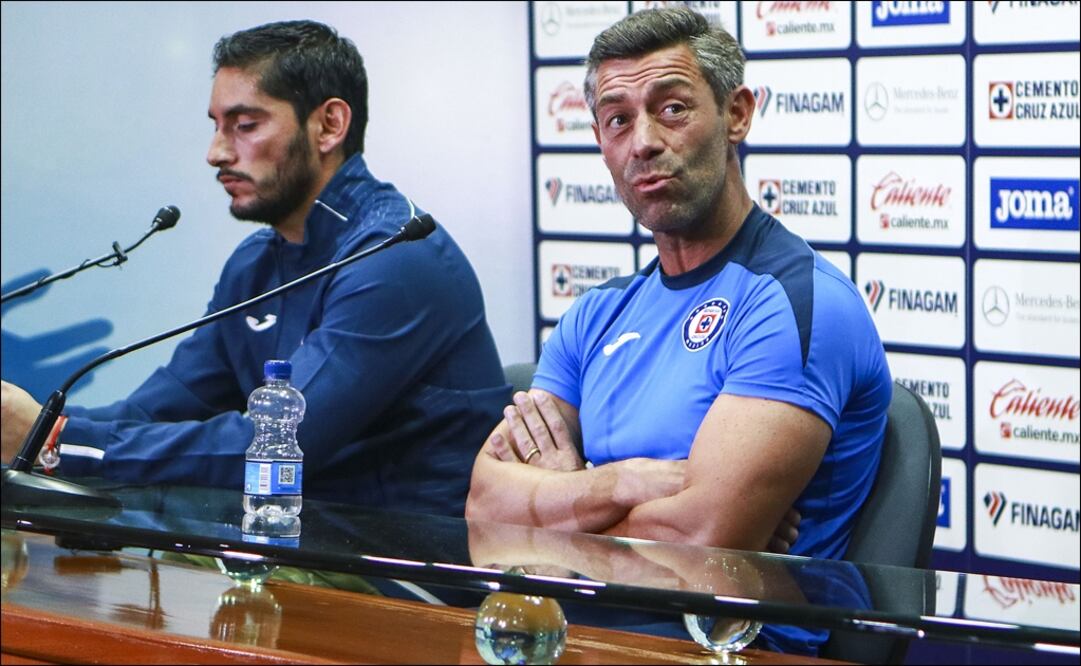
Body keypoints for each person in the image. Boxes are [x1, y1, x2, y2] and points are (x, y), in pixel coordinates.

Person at [465, 7, 891, 655]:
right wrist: (619, 482)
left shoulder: (796, 302)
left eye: (671, 109)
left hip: (726, 650)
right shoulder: (595, 314)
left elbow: (698, 547)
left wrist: (559, 500)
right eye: (617, 120)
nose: (642, 142)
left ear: (736, 114)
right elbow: (484, 510)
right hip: (577, 640)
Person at [1, 20, 507, 519]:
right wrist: (35, 429)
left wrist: (56, 440)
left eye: (245, 126)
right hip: (290, 544)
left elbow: (271, 452)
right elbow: (149, 412)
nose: (216, 153)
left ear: (329, 125)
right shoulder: (255, 264)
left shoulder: (395, 258)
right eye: (216, 126)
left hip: (410, 560)